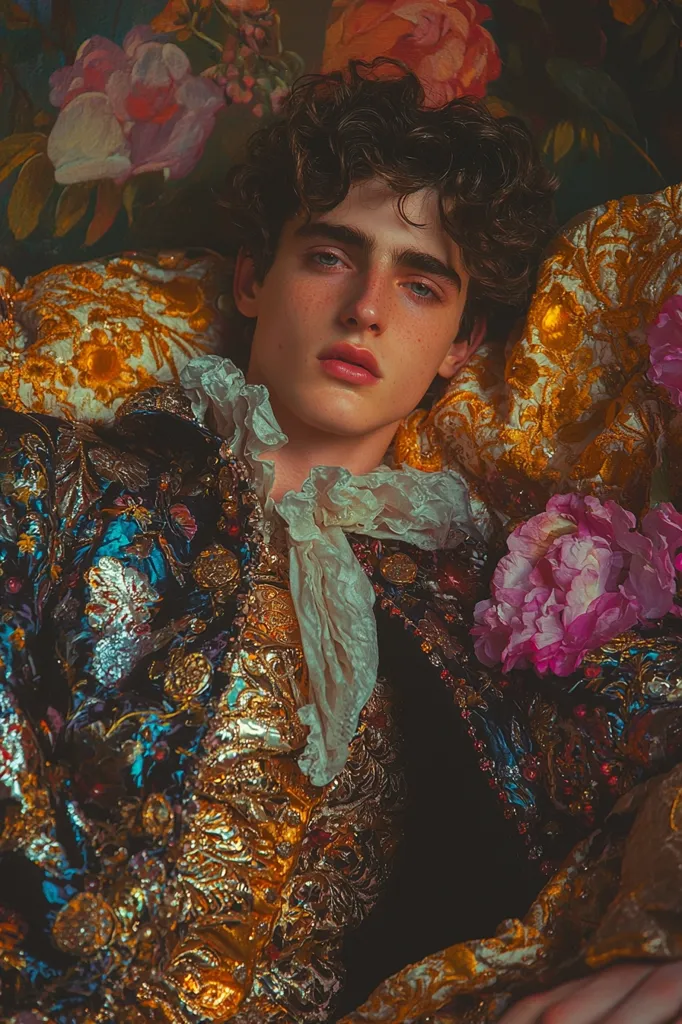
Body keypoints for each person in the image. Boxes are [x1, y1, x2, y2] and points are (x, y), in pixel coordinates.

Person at [3, 57, 677, 1024]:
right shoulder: (60, 482)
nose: (366, 306)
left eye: (420, 285)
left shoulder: (489, 610)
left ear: (460, 347)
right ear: (252, 279)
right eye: (329, 255)